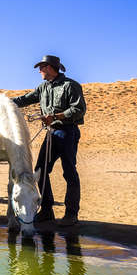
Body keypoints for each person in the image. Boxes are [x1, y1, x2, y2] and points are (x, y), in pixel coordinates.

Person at [13, 55, 86, 226]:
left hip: (67, 133)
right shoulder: (42, 88)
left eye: (42, 67)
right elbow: (24, 99)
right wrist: (2, 103)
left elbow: (79, 109)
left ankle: (71, 214)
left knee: (69, 172)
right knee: (40, 170)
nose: (40, 71)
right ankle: (47, 210)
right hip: (51, 134)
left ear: (51, 67)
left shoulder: (70, 85)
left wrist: (55, 116)